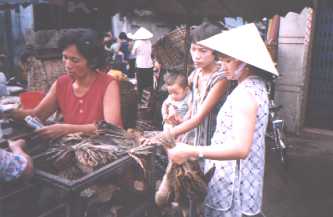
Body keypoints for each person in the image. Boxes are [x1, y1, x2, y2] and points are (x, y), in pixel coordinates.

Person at [168, 23, 279, 217]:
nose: (223, 65)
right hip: (241, 181)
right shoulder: (255, 87)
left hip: (234, 186)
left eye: (228, 61)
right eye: (222, 60)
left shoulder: (245, 95)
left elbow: (240, 149)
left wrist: (192, 150)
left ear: (246, 63)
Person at [10, 29, 123, 139]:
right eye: (65, 57)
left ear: (92, 62)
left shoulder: (108, 84)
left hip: (101, 149)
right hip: (70, 147)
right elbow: (38, 115)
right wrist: (11, 113)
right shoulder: (61, 83)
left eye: (75, 60)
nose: (67, 65)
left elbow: (112, 127)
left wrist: (67, 129)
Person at [168, 22, 230, 147]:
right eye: (193, 49)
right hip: (194, 139)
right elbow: (193, 104)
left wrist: (167, 135)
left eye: (203, 51)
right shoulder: (196, 74)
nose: (196, 56)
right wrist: (180, 116)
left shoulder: (221, 78)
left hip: (213, 142)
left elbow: (199, 117)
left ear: (216, 52)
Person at [129, 27, 154, 103]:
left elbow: (133, 53)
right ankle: (148, 101)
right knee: (149, 84)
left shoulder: (138, 42)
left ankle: (140, 102)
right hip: (149, 65)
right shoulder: (149, 42)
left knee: (140, 84)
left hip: (140, 65)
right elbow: (151, 52)